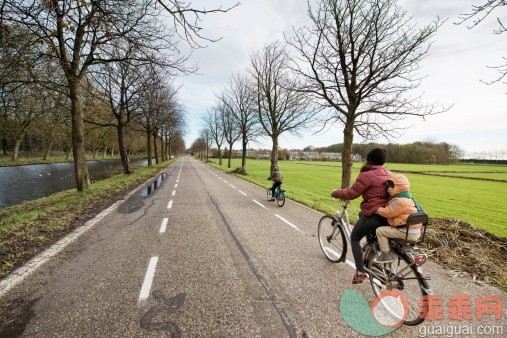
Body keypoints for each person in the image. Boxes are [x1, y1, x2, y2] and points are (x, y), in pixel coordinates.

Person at [331, 148, 391, 284]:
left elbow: (351, 194)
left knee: (354, 238)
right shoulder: (389, 173)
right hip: (387, 214)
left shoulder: (367, 175)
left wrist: (335, 192)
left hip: (374, 214)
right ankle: (370, 244)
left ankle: (360, 272)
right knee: (360, 214)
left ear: (369, 160)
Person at [375, 174, 423, 262]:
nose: (388, 189)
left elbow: (387, 212)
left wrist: (376, 209)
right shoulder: (409, 198)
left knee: (380, 231)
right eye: (388, 187)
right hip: (415, 232)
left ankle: (386, 255)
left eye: (392, 187)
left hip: (407, 233)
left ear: (400, 187)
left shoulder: (398, 201)